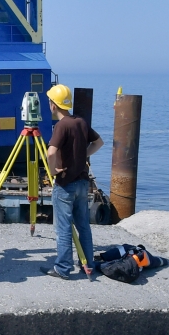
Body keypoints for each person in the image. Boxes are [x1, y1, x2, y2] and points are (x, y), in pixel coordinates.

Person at [42, 84, 103, 280]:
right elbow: (99, 142)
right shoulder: (80, 122)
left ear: (53, 105)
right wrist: (82, 155)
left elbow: (51, 152)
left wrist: (53, 170)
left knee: (63, 228)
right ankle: (88, 263)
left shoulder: (62, 125)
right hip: (83, 183)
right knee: (83, 226)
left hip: (65, 184)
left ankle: (63, 268)